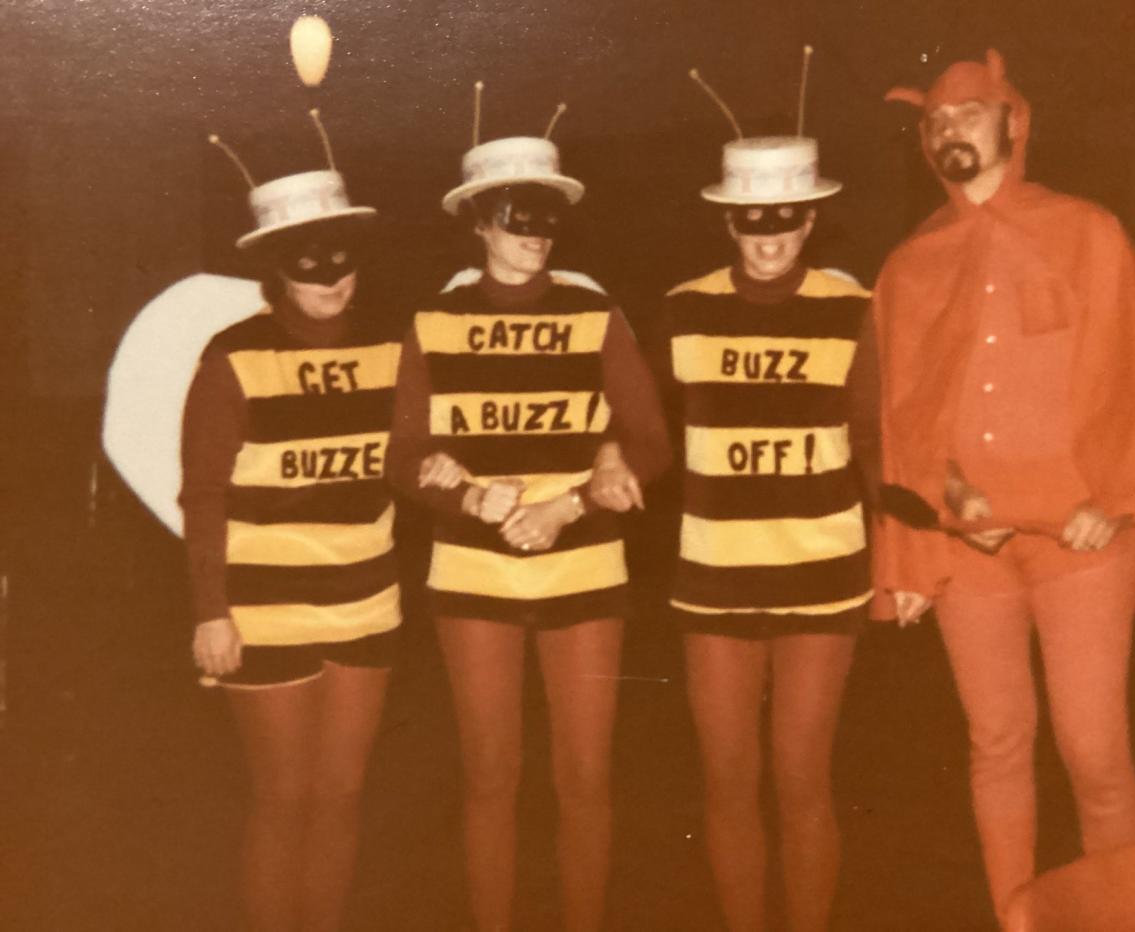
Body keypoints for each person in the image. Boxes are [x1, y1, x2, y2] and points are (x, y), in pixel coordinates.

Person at [875, 49, 1135, 921]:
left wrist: (1110, 501)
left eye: (967, 113)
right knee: (996, 745)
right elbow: (902, 424)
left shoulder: (1089, 232)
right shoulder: (910, 265)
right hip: (975, 553)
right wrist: (937, 524)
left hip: (1080, 543)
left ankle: (1124, 917)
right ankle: (1018, 919)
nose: (949, 130)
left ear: (1014, 121)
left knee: (1095, 751)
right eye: (935, 122)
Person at [387, 101, 671, 932]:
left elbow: (652, 442)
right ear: (478, 221)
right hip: (472, 570)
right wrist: (464, 494)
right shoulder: (432, 322)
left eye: (549, 216)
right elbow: (402, 454)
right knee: (490, 776)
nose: (537, 233)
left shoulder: (597, 314)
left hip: (582, 561)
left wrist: (569, 504)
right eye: (518, 216)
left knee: (584, 777)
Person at [653, 54, 878, 932]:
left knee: (801, 778)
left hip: (824, 576)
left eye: (787, 217)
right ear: (729, 221)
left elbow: (877, 441)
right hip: (713, 579)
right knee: (728, 782)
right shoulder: (682, 308)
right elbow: (632, 425)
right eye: (752, 219)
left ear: (812, 217)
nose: (770, 234)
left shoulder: (853, 306)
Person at [181, 119, 403, 931]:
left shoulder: (393, 345)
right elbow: (203, 493)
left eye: (342, 256)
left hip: (366, 600)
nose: (331, 278)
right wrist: (211, 611)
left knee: (341, 798)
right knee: (283, 798)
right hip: (262, 607)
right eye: (309, 262)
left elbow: (420, 453)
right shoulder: (231, 356)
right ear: (277, 267)